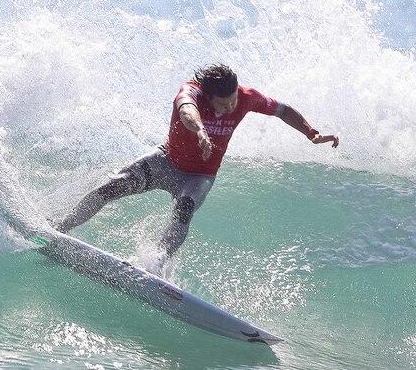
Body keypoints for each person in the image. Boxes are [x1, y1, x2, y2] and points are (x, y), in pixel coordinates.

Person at [53, 64, 339, 273]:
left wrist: (310, 132)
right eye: (223, 104)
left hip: (199, 177)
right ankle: (59, 228)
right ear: (207, 95)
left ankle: (154, 266)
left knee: (185, 209)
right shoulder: (190, 93)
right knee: (110, 187)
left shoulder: (247, 97)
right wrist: (200, 130)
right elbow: (187, 111)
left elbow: (283, 110)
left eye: (233, 101)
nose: (231, 107)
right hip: (165, 161)